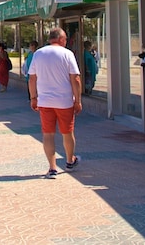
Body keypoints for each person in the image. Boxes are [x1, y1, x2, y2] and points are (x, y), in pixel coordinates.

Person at [28, 27, 82, 178]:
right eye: (65, 39)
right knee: (67, 132)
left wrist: (33, 98)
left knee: (48, 135)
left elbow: (32, 78)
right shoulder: (67, 54)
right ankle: (70, 161)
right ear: (61, 39)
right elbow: (75, 78)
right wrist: (78, 100)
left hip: (45, 101)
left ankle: (52, 168)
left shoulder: (38, 54)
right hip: (65, 101)